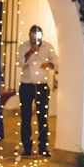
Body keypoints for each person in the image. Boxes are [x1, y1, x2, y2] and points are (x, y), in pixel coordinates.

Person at [16, 25, 58, 157]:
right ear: (29, 35)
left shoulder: (47, 46)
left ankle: (43, 147)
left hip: (42, 86)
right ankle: (27, 147)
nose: (35, 40)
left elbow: (56, 62)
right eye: (32, 37)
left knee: (43, 117)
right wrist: (30, 52)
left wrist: (49, 64)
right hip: (27, 85)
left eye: (37, 38)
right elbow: (19, 63)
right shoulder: (23, 46)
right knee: (26, 116)